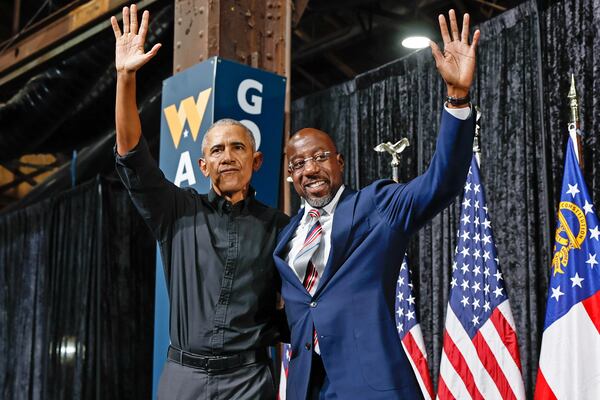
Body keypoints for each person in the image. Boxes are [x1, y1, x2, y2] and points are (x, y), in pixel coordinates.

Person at [273, 10, 480, 400]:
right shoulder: (286, 237)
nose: (310, 168)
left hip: (372, 387)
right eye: (298, 163)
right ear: (290, 175)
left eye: (319, 157)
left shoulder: (378, 205)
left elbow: (443, 182)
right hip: (308, 388)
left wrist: (457, 99)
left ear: (340, 162)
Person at [111, 5, 289, 399]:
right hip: (183, 380)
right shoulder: (175, 211)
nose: (228, 156)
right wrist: (125, 77)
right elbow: (131, 154)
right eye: (218, 150)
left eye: (238, 148)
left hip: (249, 381)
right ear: (203, 164)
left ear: (255, 161)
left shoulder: (281, 227)